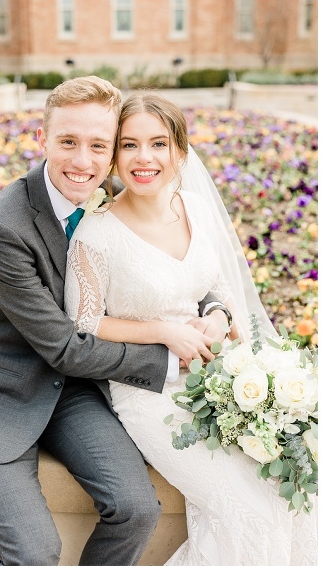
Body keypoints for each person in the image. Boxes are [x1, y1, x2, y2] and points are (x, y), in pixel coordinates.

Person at [0, 77, 231, 566]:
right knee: (35, 551)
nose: (83, 161)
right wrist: (170, 355)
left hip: (74, 393)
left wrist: (214, 310)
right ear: (41, 138)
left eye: (100, 146)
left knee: (136, 509)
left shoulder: (113, 192)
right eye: (68, 142)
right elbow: (64, 346)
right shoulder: (0, 227)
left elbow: (169, 268)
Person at [65, 92, 317, 565]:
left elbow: (219, 287)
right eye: (129, 145)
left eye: (158, 144)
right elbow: (84, 322)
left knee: (292, 491)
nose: (144, 158)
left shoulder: (196, 208)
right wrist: (162, 331)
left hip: (218, 380)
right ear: (114, 155)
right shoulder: (97, 233)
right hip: (149, 396)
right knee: (245, 509)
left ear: (179, 151)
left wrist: (220, 318)